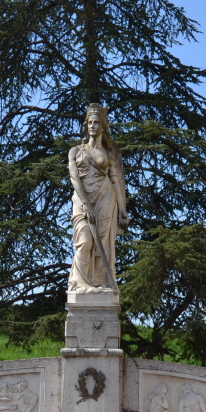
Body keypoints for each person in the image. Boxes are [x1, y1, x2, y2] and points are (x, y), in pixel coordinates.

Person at [67, 104, 129, 293]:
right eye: (90, 123)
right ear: (86, 126)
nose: (93, 126)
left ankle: (101, 284)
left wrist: (122, 209)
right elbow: (74, 178)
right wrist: (86, 204)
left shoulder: (109, 154)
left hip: (105, 197)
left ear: (103, 127)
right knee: (85, 242)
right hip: (82, 199)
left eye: (96, 123)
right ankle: (79, 284)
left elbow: (117, 182)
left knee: (103, 243)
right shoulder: (75, 151)